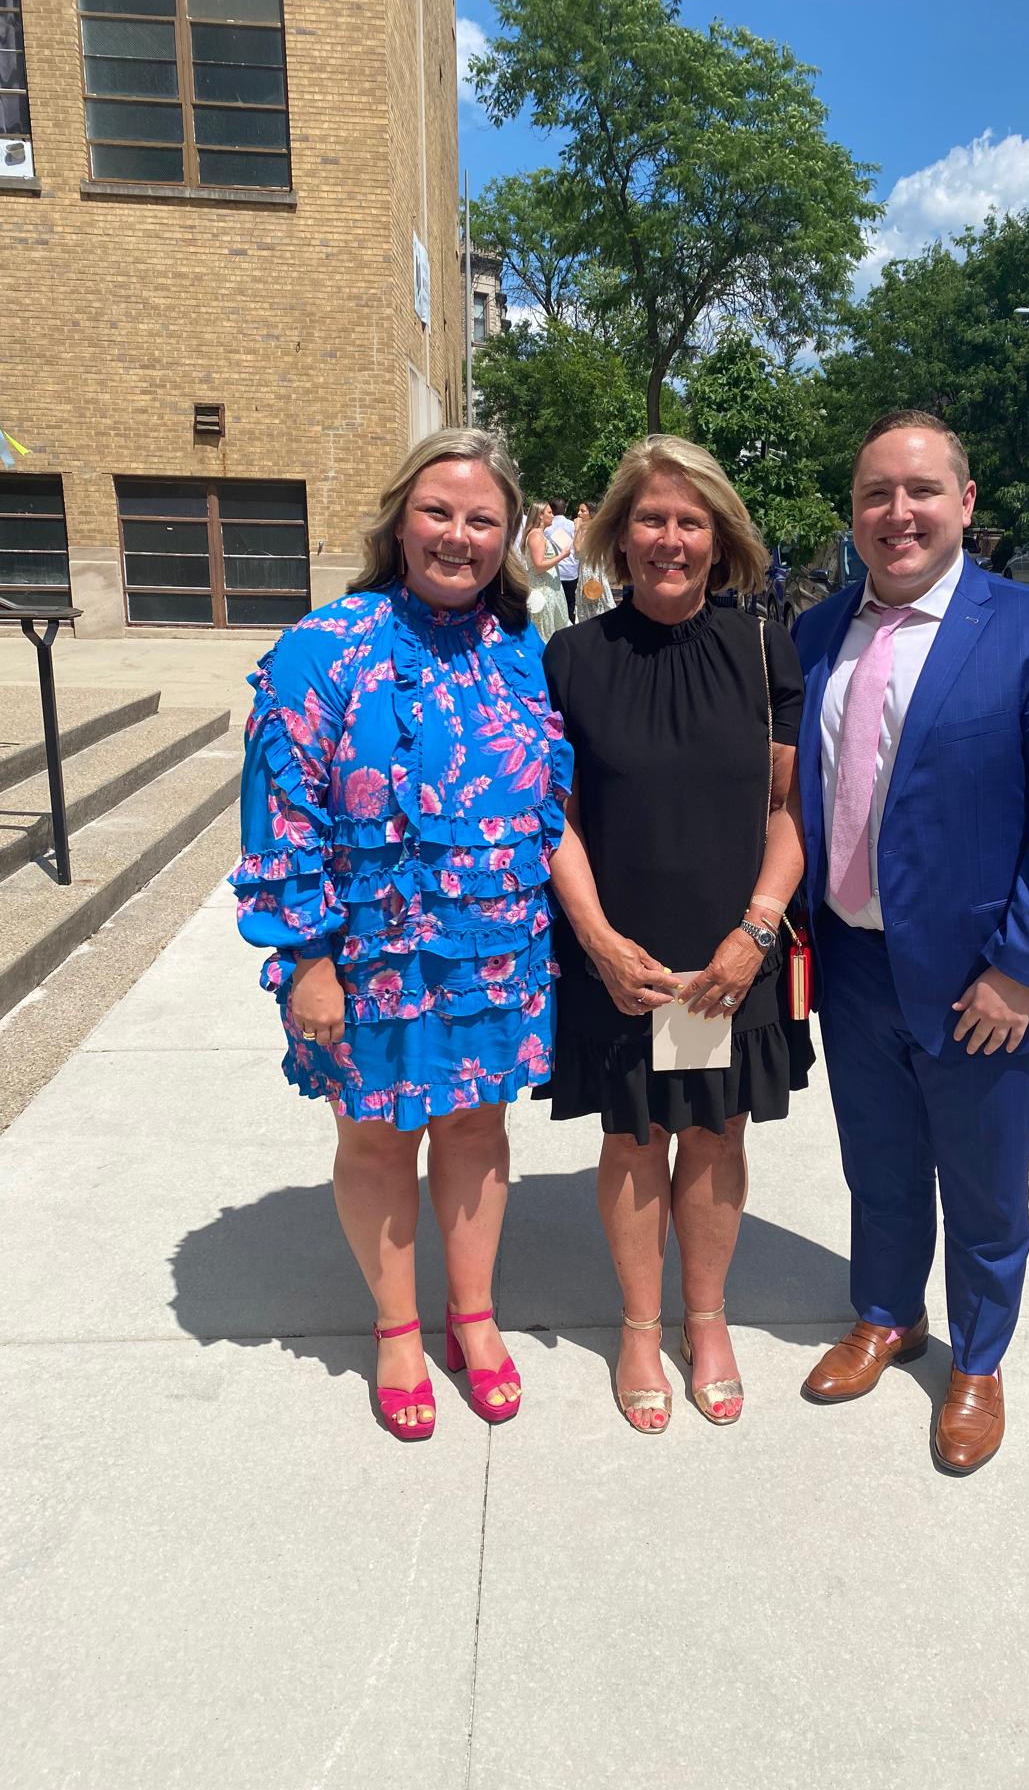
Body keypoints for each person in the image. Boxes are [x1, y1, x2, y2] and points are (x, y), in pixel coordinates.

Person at [230, 429, 572, 1439]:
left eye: (481, 520)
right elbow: (280, 816)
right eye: (438, 512)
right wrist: (307, 959)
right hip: (364, 958)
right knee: (378, 1142)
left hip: (492, 948)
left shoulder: (519, 649)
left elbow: (549, 800)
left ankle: (473, 1317)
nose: (457, 536)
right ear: (399, 520)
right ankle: (395, 1327)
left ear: (508, 536)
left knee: (475, 1127)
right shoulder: (322, 646)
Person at [792, 410, 1029, 1474]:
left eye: (921, 491)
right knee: (878, 1167)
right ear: (853, 513)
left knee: (983, 1188)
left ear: (965, 504)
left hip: (982, 985)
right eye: (876, 493)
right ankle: (889, 1315)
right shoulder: (815, 632)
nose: (899, 513)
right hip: (852, 963)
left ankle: (977, 1359)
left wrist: (1022, 971)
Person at [542, 436, 813, 1433]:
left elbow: (789, 813)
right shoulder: (574, 659)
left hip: (719, 957)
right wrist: (600, 942)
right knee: (634, 1134)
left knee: (708, 1129)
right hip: (628, 961)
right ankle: (639, 1328)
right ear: (616, 534)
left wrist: (754, 932)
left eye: (690, 521)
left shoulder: (761, 646)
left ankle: (707, 1320)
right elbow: (553, 817)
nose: (670, 538)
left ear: (719, 537)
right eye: (650, 519)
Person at [524, 499, 572, 640]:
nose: (552, 515)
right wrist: (562, 556)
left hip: (550, 589)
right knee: (545, 632)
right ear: (540, 515)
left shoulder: (540, 535)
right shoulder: (536, 536)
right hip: (543, 591)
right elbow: (539, 566)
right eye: (549, 512)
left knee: (554, 629)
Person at [570, 500, 615, 621]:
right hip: (585, 569)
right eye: (579, 510)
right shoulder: (585, 529)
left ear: (591, 513)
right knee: (586, 601)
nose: (579, 513)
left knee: (596, 598)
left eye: (583, 511)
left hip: (593, 570)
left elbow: (579, 549)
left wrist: (577, 529)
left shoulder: (594, 530)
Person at [547, 496, 580, 621]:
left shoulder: (547, 528)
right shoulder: (572, 525)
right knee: (570, 603)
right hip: (571, 570)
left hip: (554, 571)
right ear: (565, 509)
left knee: (556, 605)